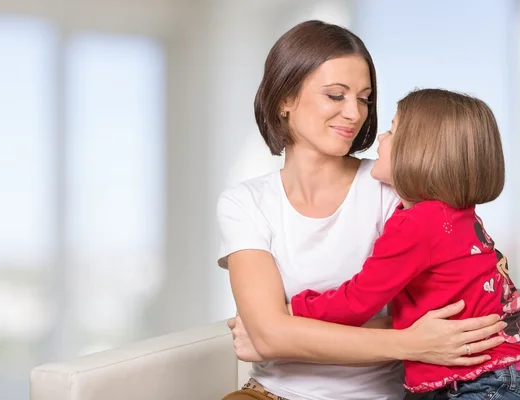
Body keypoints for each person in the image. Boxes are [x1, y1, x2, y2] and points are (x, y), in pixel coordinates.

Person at [216, 20, 506, 400]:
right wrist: (410, 341)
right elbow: (269, 335)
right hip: (270, 393)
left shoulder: (397, 187)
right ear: (285, 99)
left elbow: (460, 310)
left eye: (365, 98)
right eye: (336, 95)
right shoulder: (244, 202)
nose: (355, 113)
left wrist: (289, 334)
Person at [289, 88, 519, 398]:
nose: (380, 139)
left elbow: (358, 301)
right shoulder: (455, 216)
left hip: (481, 381)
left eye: (392, 130)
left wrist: (296, 308)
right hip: (494, 372)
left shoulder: (420, 225)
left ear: (421, 151)